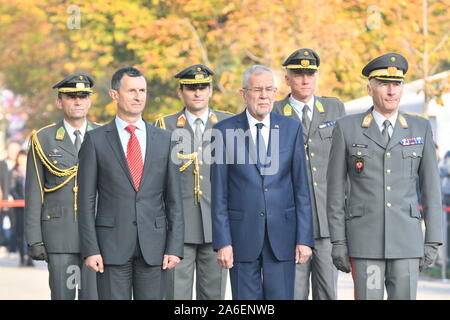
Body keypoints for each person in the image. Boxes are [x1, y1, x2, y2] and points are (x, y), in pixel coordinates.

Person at [327, 53, 443, 300]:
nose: (391, 91)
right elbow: (335, 192)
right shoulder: (347, 128)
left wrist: (433, 240)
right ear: (369, 88)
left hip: (406, 242)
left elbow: (431, 189)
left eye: (397, 84)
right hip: (365, 241)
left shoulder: (419, 127)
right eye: (384, 84)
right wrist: (338, 241)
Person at [77, 66, 184, 300]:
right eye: (132, 91)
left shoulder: (165, 140)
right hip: (110, 249)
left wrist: (175, 247)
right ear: (115, 95)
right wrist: (91, 248)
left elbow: (175, 199)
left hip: (155, 248)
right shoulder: (95, 141)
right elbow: (85, 202)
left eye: (143, 90)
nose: (138, 97)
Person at [211, 65, 314, 300]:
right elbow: (219, 194)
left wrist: (304, 238)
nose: (264, 95)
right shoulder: (223, 131)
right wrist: (223, 242)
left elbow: (301, 189)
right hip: (241, 238)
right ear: (243, 93)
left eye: (269, 89)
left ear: (276, 92)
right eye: (257, 89)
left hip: (283, 236)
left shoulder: (291, 128)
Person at [273, 48, 345, 300]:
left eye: (310, 73)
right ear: (287, 78)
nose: (305, 79)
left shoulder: (335, 108)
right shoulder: (274, 112)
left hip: (327, 222)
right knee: (292, 293)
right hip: (289, 223)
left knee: (327, 292)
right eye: (298, 73)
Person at [155, 64, 230, 300]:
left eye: (202, 87)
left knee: (213, 296)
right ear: (180, 92)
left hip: (217, 226)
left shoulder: (228, 124)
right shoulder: (164, 126)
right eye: (191, 88)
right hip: (178, 227)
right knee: (176, 296)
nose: (197, 92)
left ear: (210, 91)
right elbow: (156, 182)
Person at [25, 73, 99, 300]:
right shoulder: (43, 138)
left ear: (89, 100)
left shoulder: (105, 135)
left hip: (97, 237)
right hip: (60, 236)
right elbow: (34, 191)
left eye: (83, 96)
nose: (78, 101)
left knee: (94, 296)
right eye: (71, 96)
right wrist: (34, 238)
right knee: (63, 296)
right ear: (59, 101)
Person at [10, 150, 33, 266]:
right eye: (21, 157)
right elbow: (12, 189)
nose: (22, 159)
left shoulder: (32, 170)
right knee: (20, 232)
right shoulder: (14, 172)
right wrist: (20, 200)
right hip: (18, 207)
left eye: (24, 157)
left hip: (31, 206)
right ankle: (22, 257)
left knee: (31, 232)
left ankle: (30, 257)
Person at [0, 141, 22, 254]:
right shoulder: (2, 164)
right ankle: (3, 244)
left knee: (16, 224)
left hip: (18, 201)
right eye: (11, 150)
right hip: (2, 200)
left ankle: (14, 247)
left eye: (16, 150)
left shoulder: (21, 166)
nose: (14, 153)